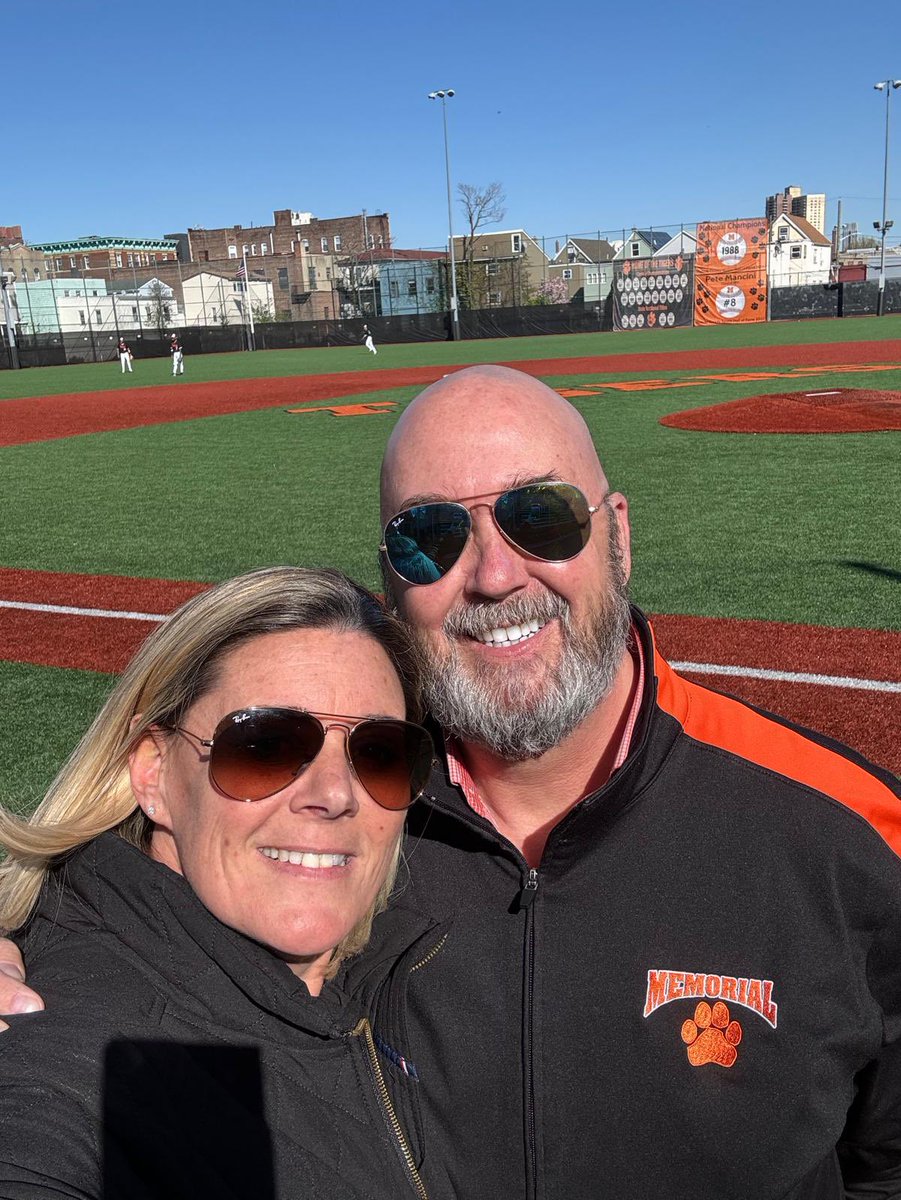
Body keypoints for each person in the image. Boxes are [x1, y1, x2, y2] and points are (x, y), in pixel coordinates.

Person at [2, 366, 901, 1198]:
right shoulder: (339, 812)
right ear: (393, 579)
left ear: (618, 532)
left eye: (541, 517)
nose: (495, 574)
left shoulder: (849, 829)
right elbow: (103, 919)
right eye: (431, 536)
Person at [0, 566, 442, 1199]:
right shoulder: (77, 1056)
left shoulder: (402, 959)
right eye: (265, 745)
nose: (337, 795)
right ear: (153, 773)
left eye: (380, 753)